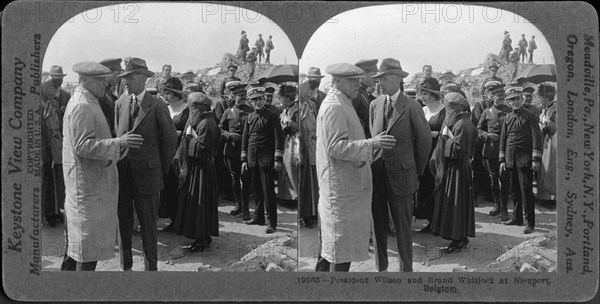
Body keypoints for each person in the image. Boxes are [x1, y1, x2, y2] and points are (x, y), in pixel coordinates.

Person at [62, 61, 143, 271]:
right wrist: (119, 143)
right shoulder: (82, 105)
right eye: (101, 82)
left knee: (87, 248)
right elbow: (82, 146)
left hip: (90, 185)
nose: (104, 86)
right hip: (87, 190)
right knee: (88, 251)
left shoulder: (88, 99)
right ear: (88, 80)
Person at [315, 62, 396, 272]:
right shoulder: (335, 106)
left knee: (337, 248)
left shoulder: (343, 100)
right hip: (340, 189)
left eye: (359, 80)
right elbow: (335, 147)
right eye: (353, 81)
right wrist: (372, 144)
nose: (358, 85)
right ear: (338, 81)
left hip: (345, 186)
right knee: (340, 251)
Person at [115, 57, 178, 271]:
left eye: (130, 78)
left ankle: (151, 269)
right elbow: (118, 137)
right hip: (123, 174)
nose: (125, 82)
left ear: (142, 78)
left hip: (149, 176)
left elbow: (170, 140)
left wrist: (160, 168)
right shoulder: (120, 104)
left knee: (149, 225)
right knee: (123, 222)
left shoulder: (157, 105)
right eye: (124, 78)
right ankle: (126, 266)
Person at [370, 58, 431, 272]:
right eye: (378, 80)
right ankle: (381, 268)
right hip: (377, 174)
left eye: (384, 79)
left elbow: (424, 140)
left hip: (403, 176)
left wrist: (416, 170)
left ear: (397, 79)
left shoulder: (412, 106)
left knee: (404, 227)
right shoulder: (374, 105)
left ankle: (406, 272)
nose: (380, 84)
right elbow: (373, 138)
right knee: (378, 225)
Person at [430, 92, 478, 253]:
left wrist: (445, 139)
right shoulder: (461, 122)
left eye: (448, 108)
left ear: (455, 109)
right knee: (456, 204)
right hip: (456, 170)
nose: (447, 111)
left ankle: (458, 239)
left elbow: (457, 150)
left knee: (456, 204)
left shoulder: (462, 124)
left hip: (458, 171)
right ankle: (460, 237)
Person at [174, 92, 221, 252]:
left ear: (198, 108)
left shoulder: (206, 123)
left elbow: (202, 149)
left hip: (202, 170)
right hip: (199, 169)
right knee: (200, 204)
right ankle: (203, 236)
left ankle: (201, 239)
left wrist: (189, 138)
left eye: (191, 108)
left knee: (200, 205)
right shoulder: (204, 120)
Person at [241, 87, 285, 234]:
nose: (257, 102)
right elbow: (245, 139)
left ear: (264, 99)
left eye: (260, 99)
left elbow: (279, 138)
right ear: (251, 102)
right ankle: (258, 217)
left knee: (269, 193)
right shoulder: (249, 117)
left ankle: (272, 223)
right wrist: (244, 159)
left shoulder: (272, 115)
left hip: (267, 160)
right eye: (254, 100)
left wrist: (277, 158)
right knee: (257, 192)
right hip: (252, 159)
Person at [500, 86, 542, 234]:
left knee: (527, 192)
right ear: (508, 102)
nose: (515, 102)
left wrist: (535, 159)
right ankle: (517, 218)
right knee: (514, 191)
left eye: (517, 98)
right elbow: (503, 139)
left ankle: (530, 223)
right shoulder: (507, 117)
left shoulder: (530, 116)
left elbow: (537, 138)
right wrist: (502, 160)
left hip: (525, 159)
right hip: (511, 158)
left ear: (521, 99)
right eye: (512, 100)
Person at [477, 81, 512, 221]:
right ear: (490, 96)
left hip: (505, 150)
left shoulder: (509, 111)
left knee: (504, 179)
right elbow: (479, 129)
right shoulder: (487, 112)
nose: (500, 97)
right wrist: (487, 135)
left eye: (502, 94)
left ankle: (504, 210)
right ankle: (497, 205)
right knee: (493, 179)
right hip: (490, 151)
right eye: (497, 94)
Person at [414, 77, 445, 233]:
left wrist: (437, 134)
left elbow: (449, 133)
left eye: (425, 94)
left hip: (437, 152)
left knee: (435, 185)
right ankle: (429, 219)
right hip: (424, 153)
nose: (422, 97)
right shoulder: (422, 110)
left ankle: (437, 221)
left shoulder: (443, 110)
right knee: (425, 186)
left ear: (433, 95)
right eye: (422, 93)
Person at [219, 82, 254, 221]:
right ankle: (238, 204)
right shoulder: (228, 112)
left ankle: (246, 209)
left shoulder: (251, 110)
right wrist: (229, 135)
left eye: (244, 95)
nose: (242, 97)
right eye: (239, 95)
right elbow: (220, 129)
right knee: (235, 179)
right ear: (233, 97)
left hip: (246, 150)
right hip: (232, 150)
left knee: (246, 179)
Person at [159, 77, 190, 231]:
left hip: (181, 151)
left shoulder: (187, 110)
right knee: (169, 185)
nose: (166, 96)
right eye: (165, 93)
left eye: (169, 93)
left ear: (177, 95)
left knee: (181, 185)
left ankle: (182, 219)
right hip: (166, 152)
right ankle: (172, 218)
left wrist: (177, 133)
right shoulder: (165, 108)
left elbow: (190, 131)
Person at [41, 65, 70, 227]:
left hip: (57, 147)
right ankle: (48, 213)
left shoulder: (53, 103)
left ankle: (55, 211)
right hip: (48, 149)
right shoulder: (43, 106)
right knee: (49, 180)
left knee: (57, 180)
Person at [298, 82, 319, 228]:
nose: (308, 92)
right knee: (306, 181)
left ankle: (313, 213)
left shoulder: (311, 105)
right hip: (303, 147)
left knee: (315, 180)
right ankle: (305, 215)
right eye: (306, 89)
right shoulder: (297, 106)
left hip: (314, 145)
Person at [277, 85, 300, 203]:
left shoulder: (296, 109)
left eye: (280, 97)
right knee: (285, 168)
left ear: (286, 98)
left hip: (294, 142)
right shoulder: (285, 110)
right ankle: (285, 196)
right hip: (285, 141)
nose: (279, 100)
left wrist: (289, 122)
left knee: (291, 168)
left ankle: (295, 197)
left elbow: (299, 127)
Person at [536, 84, 556, 202]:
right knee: (543, 167)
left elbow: (555, 127)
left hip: (551, 142)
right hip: (543, 141)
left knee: (549, 167)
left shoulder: (555, 110)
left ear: (545, 97)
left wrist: (547, 122)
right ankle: (542, 195)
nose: (539, 100)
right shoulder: (544, 110)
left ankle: (550, 196)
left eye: (540, 97)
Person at [353, 59, 378, 138]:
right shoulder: (356, 94)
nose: (376, 79)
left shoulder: (363, 93)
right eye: (374, 75)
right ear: (363, 74)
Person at [99, 58, 124, 137]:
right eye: (117, 75)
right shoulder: (100, 94)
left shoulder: (108, 93)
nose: (119, 78)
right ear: (107, 73)